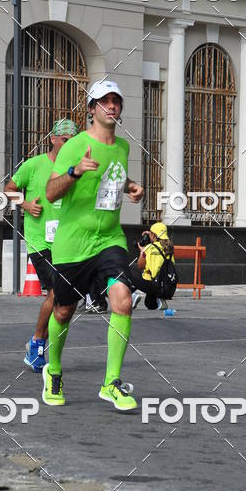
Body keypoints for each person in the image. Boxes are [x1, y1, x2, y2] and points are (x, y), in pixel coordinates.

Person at [43, 80, 144, 412]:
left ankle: (111, 382)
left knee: (123, 300)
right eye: (104, 101)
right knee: (63, 310)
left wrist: (131, 186)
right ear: (91, 109)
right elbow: (50, 193)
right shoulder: (75, 145)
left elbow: (112, 178)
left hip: (110, 239)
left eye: (116, 101)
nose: (111, 106)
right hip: (73, 244)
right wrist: (74, 172)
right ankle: (53, 370)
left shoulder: (123, 147)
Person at [4, 118, 80, 371]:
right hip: (40, 241)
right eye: (65, 140)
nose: (69, 145)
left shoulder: (75, 170)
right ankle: (37, 343)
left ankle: (38, 343)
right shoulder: (34, 165)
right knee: (56, 293)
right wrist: (26, 204)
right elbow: (9, 189)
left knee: (67, 300)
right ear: (53, 139)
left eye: (73, 141)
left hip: (67, 241)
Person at [131, 221, 175, 310]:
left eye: (151, 233)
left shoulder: (149, 248)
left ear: (154, 235)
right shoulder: (169, 248)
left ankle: (131, 297)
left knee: (129, 271)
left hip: (153, 284)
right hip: (167, 287)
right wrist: (152, 234)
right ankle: (160, 299)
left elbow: (140, 266)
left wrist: (142, 252)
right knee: (150, 304)